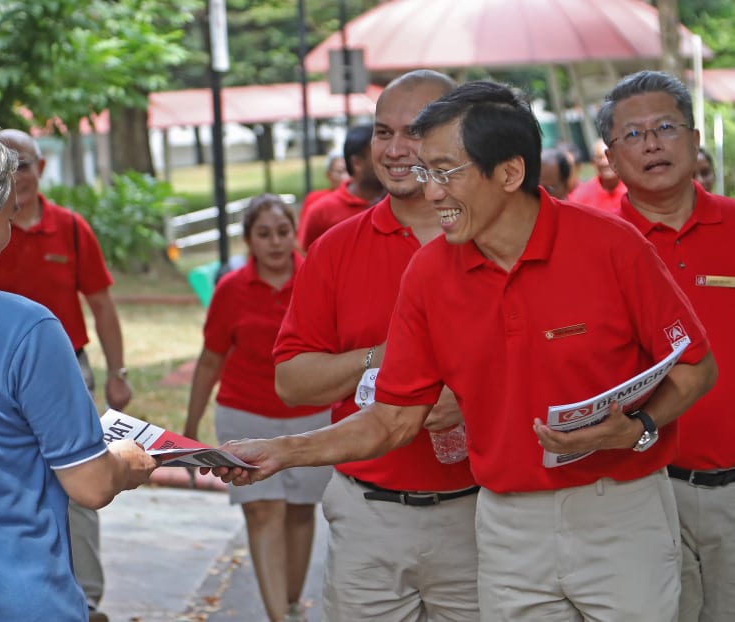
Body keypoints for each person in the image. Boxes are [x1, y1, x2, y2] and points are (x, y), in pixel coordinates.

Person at [209, 80, 719, 622]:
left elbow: (694, 368)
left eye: (446, 172)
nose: (430, 192)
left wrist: (637, 426)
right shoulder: (428, 275)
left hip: (620, 507)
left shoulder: (611, 246)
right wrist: (281, 451)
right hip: (506, 523)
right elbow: (391, 420)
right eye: (427, 173)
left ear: (509, 172)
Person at [0, 122, 158, 621]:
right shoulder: (26, 327)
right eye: (7, 219)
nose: (9, 235)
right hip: (13, 602)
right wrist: (129, 461)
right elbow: (90, 483)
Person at [272, 70, 480, 621]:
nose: (392, 150)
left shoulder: (494, 237)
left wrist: (474, 395)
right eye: (381, 132)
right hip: (370, 515)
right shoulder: (336, 248)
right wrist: (377, 357)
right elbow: (291, 382)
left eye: (413, 131)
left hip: (484, 514)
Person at [601, 70, 735, 622]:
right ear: (609, 157)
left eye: (665, 127)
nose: (652, 143)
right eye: (632, 135)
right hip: (641, 491)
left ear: (696, 140)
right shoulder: (597, 247)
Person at [0, 128, 130, 622]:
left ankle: (85, 597)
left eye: (22, 164)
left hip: (68, 368)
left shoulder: (70, 228)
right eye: (4, 164)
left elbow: (102, 306)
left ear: (42, 168)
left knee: (80, 476)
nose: (15, 175)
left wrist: (118, 371)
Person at [184, 194, 332, 622]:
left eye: (283, 232)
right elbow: (211, 358)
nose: (274, 242)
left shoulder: (317, 279)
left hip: (310, 417)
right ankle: (278, 616)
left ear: (295, 234)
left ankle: (289, 602)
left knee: (301, 512)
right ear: (249, 239)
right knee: (263, 511)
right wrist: (192, 424)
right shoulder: (230, 289)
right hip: (245, 415)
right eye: (263, 234)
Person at [298, 123, 385, 250]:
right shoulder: (321, 212)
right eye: (378, 156)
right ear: (357, 163)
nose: (390, 159)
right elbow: (309, 257)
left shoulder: (402, 203)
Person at [296, 151, 348, 240]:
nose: (346, 177)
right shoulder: (314, 199)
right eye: (340, 172)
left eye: (349, 171)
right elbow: (302, 238)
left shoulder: (366, 200)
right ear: (328, 175)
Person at [568, 137, 627, 211]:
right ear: (593, 162)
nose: (605, 163)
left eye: (609, 157)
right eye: (600, 158)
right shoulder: (580, 195)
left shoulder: (634, 189)